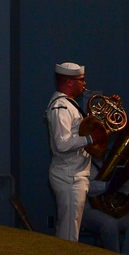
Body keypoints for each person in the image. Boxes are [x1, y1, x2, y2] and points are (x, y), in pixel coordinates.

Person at [45, 62, 107, 242]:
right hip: (69, 177)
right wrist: (90, 139)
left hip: (74, 175)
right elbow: (62, 144)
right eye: (81, 80)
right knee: (69, 234)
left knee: (69, 230)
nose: (85, 83)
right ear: (69, 82)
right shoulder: (61, 107)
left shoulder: (69, 105)